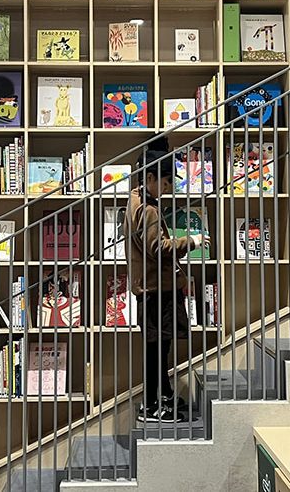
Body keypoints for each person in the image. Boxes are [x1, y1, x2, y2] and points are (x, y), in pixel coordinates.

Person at [125, 138, 207, 423]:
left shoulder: (136, 199)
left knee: (158, 348)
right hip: (156, 290)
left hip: (151, 288)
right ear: (149, 177)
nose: (169, 187)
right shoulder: (148, 209)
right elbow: (158, 248)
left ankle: (164, 396)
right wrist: (192, 241)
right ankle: (152, 406)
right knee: (158, 349)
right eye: (166, 181)